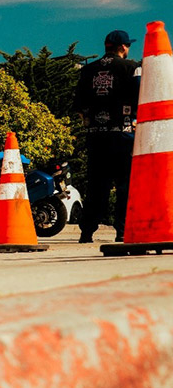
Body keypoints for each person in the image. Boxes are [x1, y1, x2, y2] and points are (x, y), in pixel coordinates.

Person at [73, 29, 141, 243]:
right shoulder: (132, 68)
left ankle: (87, 231)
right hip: (123, 133)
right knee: (124, 183)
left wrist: (90, 121)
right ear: (122, 47)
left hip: (95, 135)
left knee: (96, 184)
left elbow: (78, 104)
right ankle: (122, 231)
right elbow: (140, 96)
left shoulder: (88, 70)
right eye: (128, 46)